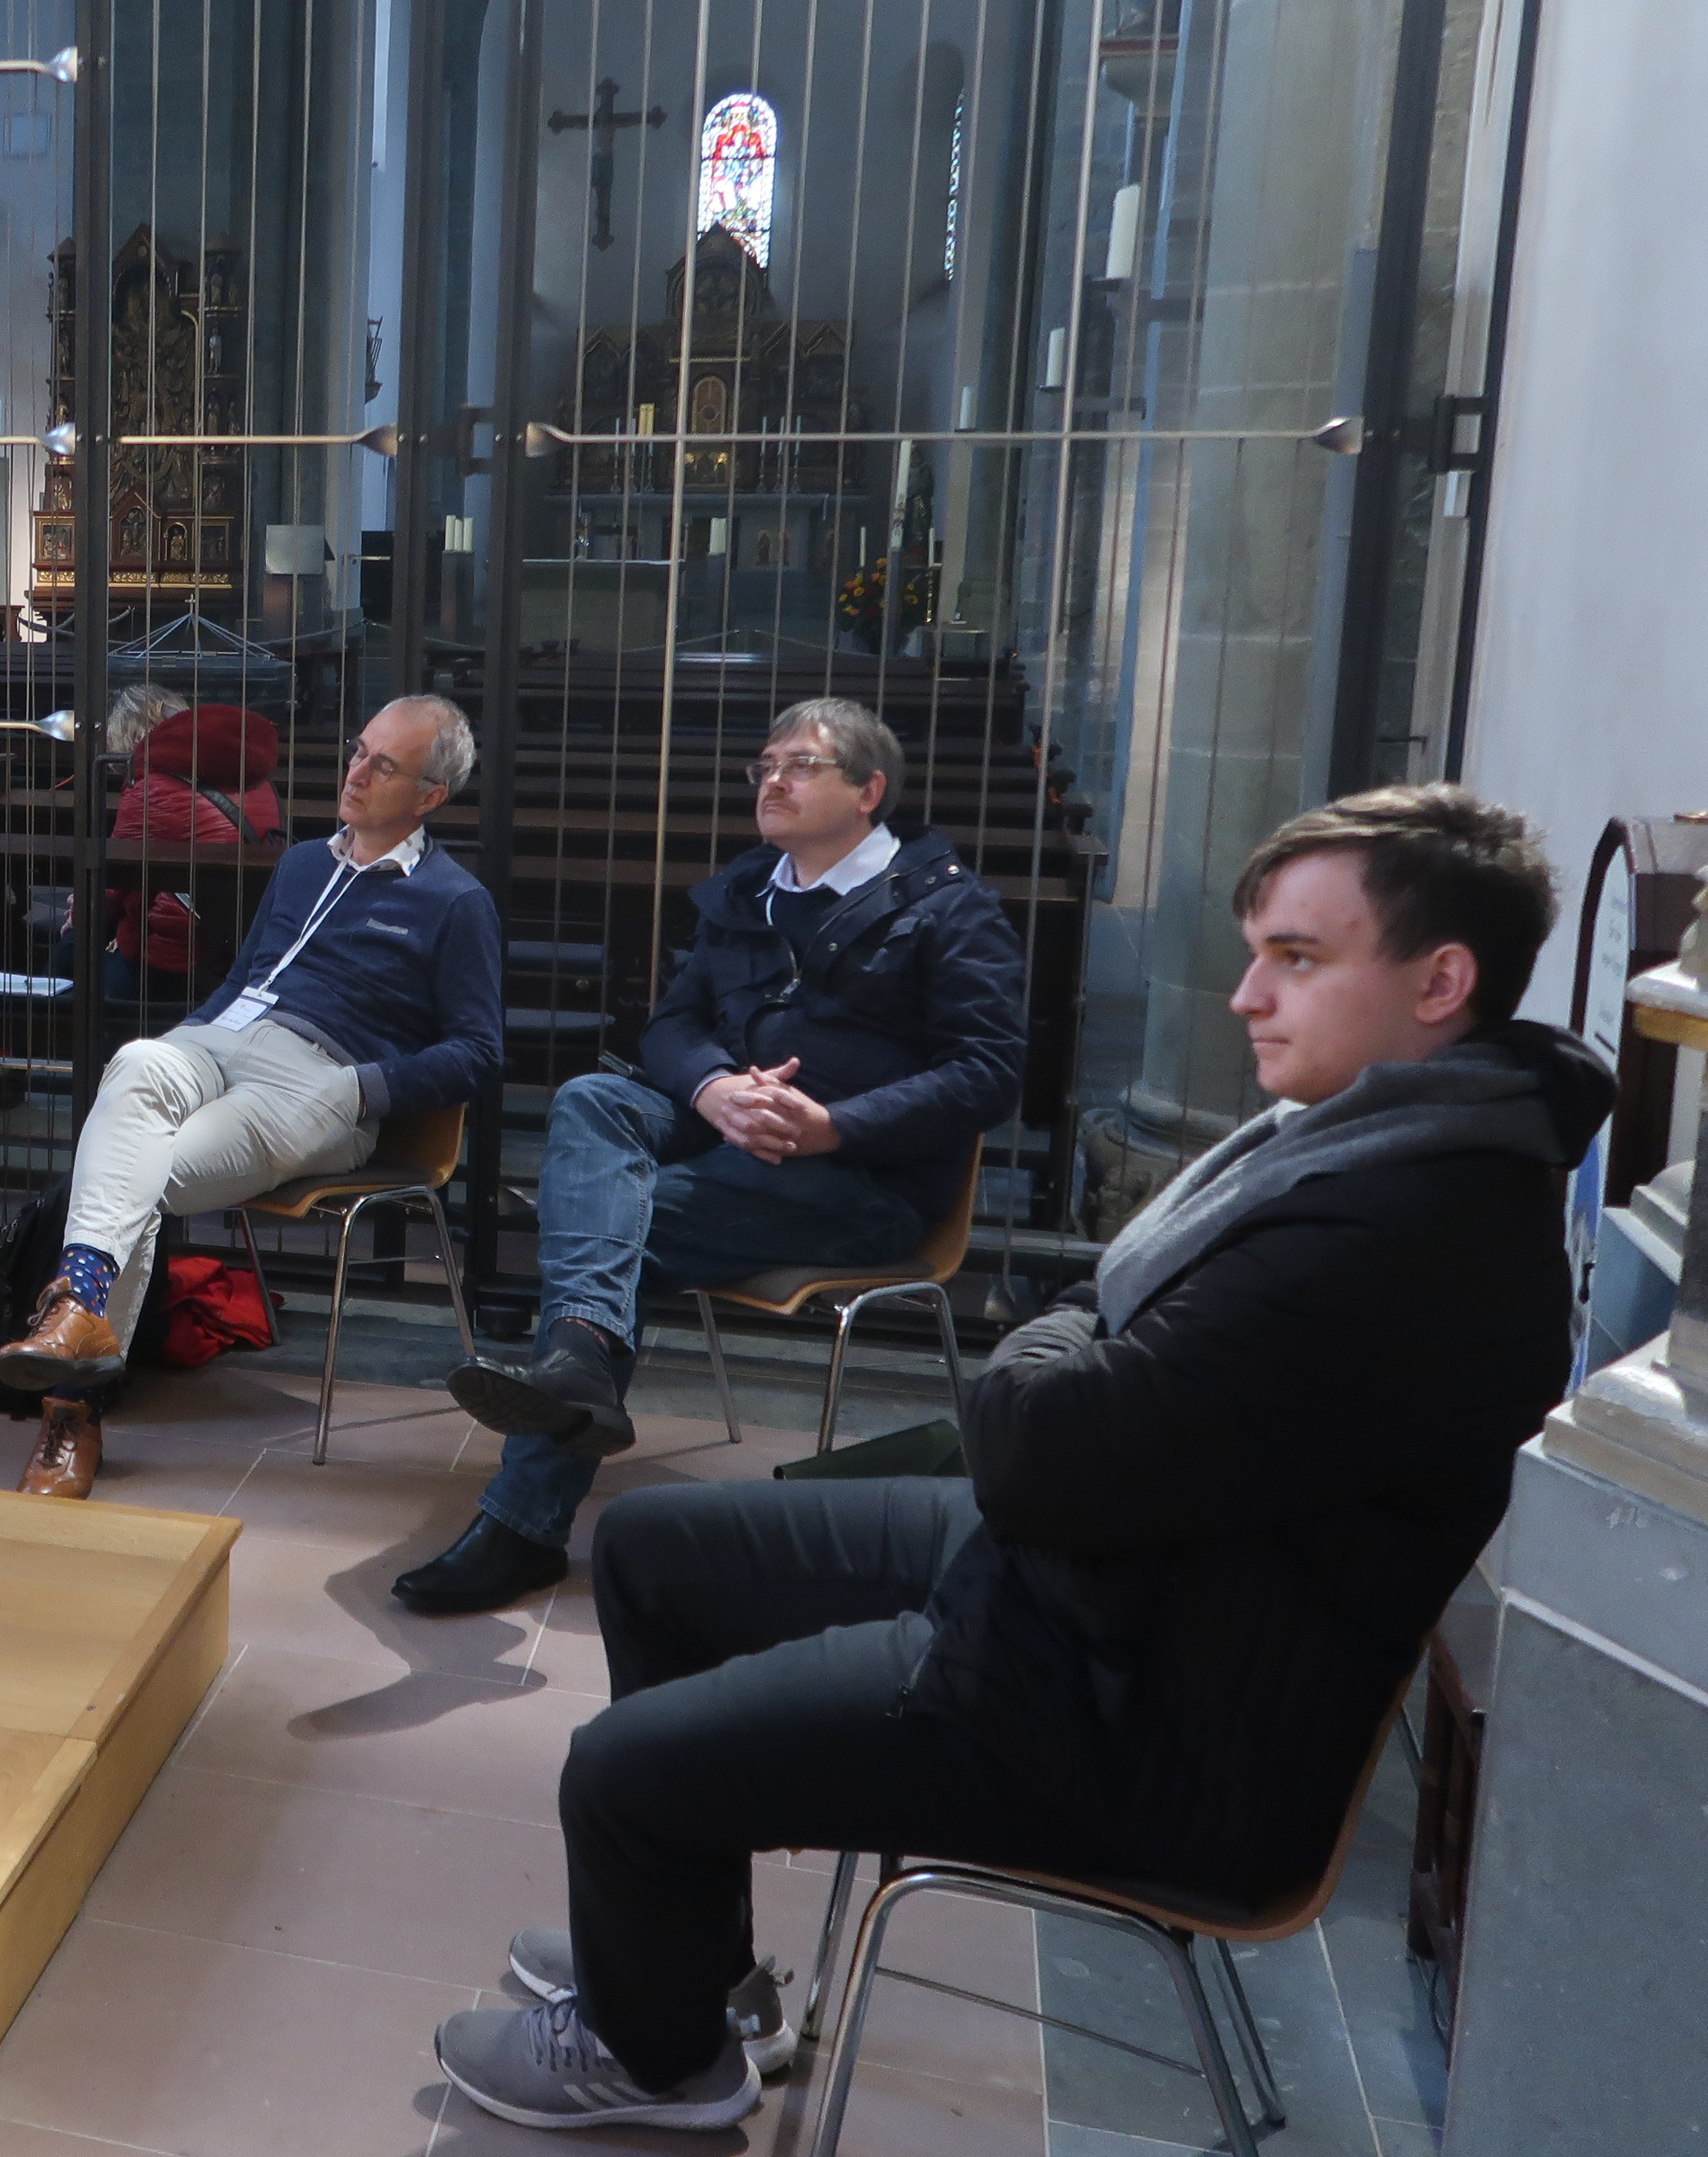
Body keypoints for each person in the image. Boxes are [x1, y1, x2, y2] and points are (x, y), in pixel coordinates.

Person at [432, 784, 1607, 2134]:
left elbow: (1040, 1445)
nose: (1245, 997)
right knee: (653, 1550)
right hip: (1099, 1581)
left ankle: (654, 2059)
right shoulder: (1378, 1140)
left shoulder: (1410, 1231)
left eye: (1297, 957)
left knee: (620, 1768)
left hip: (1133, 1710)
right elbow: (1095, 1346)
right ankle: (687, 1973)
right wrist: (1076, 1330)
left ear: (1441, 981)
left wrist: (1056, 1333)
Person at [396, 696, 1025, 1615]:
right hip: (726, 1134)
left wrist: (834, 1124)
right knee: (593, 1097)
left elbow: (989, 1072)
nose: (772, 781)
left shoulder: (948, 908)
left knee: (608, 1234)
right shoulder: (747, 892)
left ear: (868, 791)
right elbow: (671, 1024)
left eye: (800, 765)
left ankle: (527, 1509)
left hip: (863, 1182)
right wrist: (713, 1088)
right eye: (764, 766)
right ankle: (575, 1374)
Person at [0, 695, 504, 1499]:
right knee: (136, 1060)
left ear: (430, 796)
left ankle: (72, 1404)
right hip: (222, 1040)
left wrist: (360, 1089)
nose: (356, 772)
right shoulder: (301, 863)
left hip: (325, 1079)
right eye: (358, 750)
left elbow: (479, 1053)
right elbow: (242, 978)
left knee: (131, 1180)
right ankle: (78, 1314)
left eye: (384, 766)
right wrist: (193, 1039)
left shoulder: (454, 901)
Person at [104, 698, 285, 991]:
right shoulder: (259, 781)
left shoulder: (151, 789)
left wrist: (77, 915)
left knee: (73, 946)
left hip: (171, 953)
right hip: (242, 944)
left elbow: (112, 885)